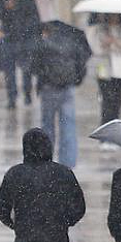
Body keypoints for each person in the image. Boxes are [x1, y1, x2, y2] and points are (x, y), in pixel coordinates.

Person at [30, 21, 88, 167]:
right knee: (68, 125)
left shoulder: (42, 45)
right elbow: (81, 65)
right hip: (67, 89)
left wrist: (44, 78)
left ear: (47, 31)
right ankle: (67, 163)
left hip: (48, 89)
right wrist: (76, 81)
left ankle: (46, 160)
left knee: (47, 126)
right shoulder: (72, 43)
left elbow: (33, 67)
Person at [0, 0, 41, 108]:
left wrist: (26, 28)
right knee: (9, 72)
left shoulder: (29, 0)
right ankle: (12, 98)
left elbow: (35, 20)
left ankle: (27, 95)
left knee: (26, 71)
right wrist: (5, 9)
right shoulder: (3, 0)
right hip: (9, 40)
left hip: (25, 40)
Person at [85, 13, 121, 134]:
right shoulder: (99, 31)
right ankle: (105, 134)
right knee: (106, 102)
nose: (113, 18)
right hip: (104, 72)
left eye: (116, 16)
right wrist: (105, 44)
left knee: (117, 103)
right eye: (111, 16)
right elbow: (95, 49)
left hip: (119, 73)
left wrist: (119, 43)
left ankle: (115, 134)